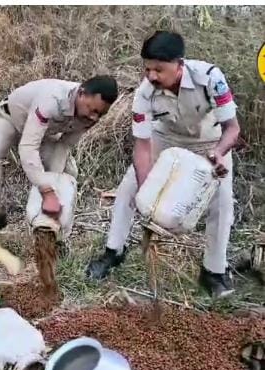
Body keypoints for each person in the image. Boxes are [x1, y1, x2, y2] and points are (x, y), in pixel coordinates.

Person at [86, 31, 240, 299]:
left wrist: (218, 153)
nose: (152, 76)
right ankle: (114, 251)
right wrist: (148, 192)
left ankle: (213, 271)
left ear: (179, 64)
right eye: (147, 69)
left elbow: (232, 129)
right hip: (165, 138)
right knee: (128, 191)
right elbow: (142, 146)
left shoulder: (211, 78)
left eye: (159, 69)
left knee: (223, 202)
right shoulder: (145, 94)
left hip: (211, 142)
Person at [0, 76, 119, 238]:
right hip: (11, 117)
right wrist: (46, 191)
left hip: (43, 132)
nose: (94, 117)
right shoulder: (52, 99)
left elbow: (64, 145)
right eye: (92, 110)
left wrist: (54, 187)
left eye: (100, 114)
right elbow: (28, 147)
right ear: (81, 93)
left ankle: (56, 233)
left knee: (68, 173)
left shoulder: (90, 115)